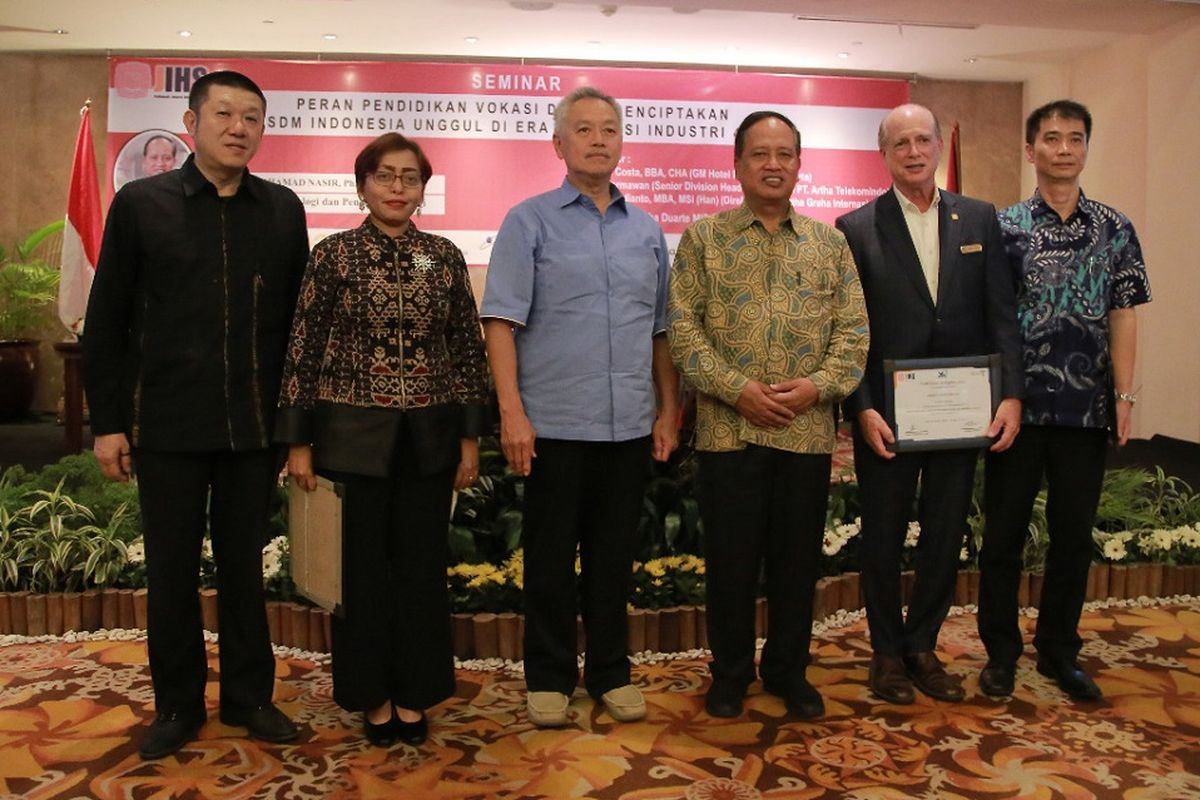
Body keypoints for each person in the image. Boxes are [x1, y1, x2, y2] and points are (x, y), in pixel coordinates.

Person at [83, 70, 308, 759]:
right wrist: (109, 422)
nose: (239, 128)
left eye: (252, 118)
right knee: (172, 574)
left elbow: (297, 330)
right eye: (225, 115)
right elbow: (107, 321)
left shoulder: (281, 210)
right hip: (166, 428)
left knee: (245, 571)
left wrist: (295, 429)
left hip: (252, 429)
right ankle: (177, 704)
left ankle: (249, 699)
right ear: (191, 123)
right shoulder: (141, 204)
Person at [276, 133, 489, 746]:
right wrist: (298, 442)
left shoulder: (440, 257)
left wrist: (470, 439)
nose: (398, 188)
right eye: (385, 176)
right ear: (362, 183)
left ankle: (417, 693)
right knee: (361, 575)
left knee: (422, 572)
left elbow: (466, 350)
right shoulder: (335, 255)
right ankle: (371, 695)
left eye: (410, 178)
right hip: (350, 441)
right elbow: (303, 350)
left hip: (430, 440)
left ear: (423, 188)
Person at [480, 86, 679, 727]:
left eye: (610, 129)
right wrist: (511, 411)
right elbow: (501, 323)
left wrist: (668, 409)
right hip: (555, 425)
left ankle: (612, 675)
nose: (599, 140)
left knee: (612, 562)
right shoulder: (528, 220)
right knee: (548, 562)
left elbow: (661, 332)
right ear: (559, 145)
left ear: (622, 142)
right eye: (584, 130)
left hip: (627, 427)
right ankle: (548, 677)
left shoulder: (646, 230)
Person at [668, 111, 869, 719]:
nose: (773, 164)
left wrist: (817, 387)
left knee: (794, 564)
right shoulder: (704, 240)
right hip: (729, 434)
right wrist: (736, 389)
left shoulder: (830, 243)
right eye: (760, 153)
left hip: (805, 436)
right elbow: (683, 331)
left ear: (800, 164)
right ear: (737, 165)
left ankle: (787, 670)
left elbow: (854, 335)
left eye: (785, 153)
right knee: (730, 564)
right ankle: (729, 673)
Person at [835, 103, 1023, 706]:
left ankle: (923, 645)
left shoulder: (980, 219)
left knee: (944, 535)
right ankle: (887, 654)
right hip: (887, 418)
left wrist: (1011, 395)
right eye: (900, 143)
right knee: (884, 538)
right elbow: (851, 331)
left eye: (923, 140)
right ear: (883, 154)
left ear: (938, 146)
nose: (913, 152)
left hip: (961, 415)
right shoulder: (856, 228)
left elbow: (1002, 316)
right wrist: (861, 407)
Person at [978, 100, 1151, 701]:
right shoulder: (1003, 227)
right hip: (1016, 409)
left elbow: (1123, 313)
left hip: (1085, 409)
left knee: (1072, 537)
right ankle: (1000, 652)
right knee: (1001, 535)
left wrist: (1124, 395)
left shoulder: (1115, 228)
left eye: (1075, 139)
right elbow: (990, 317)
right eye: (1051, 139)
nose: (1064, 149)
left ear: (1085, 149)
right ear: (1031, 151)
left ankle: (1058, 650)